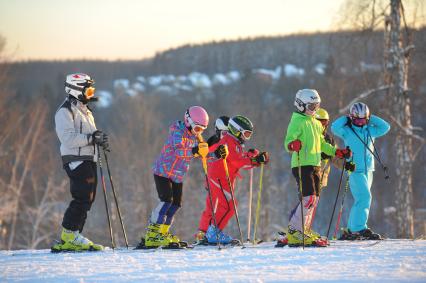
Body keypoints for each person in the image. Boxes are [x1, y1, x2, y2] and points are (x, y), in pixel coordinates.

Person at [283, 89, 351, 247]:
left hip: (315, 164)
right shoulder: (297, 121)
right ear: (300, 105)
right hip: (301, 164)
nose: (314, 110)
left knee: (314, 199)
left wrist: (336, 151)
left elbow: (322, 144)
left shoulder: (314, 122)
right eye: (311, 106)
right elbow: (288, 141)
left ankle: (303, 229)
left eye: (316, 106)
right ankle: (294, 231)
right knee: (308, 198)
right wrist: (293, 145)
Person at [137, 106, 210, 248]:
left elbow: (203, 152)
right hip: (163, 171)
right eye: (197, 129)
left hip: (177, 175)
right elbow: (179, 150)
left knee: (176, 204)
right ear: (188, 122)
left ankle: (163, 232)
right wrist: (195, 150)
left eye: (202, 130)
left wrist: (214, 152)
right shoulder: (177, 132)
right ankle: (152, 234)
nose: (199, 132)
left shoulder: (195, 137)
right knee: (166, 200)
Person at [52, 73, 109, 252]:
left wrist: (98, 138)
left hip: (88, 158)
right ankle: (69, 234)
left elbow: (90, 134)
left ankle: (74, 235)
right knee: (82, 197)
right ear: (76, 90)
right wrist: (91, 138)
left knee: (89, 198)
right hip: (75, 159)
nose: (91, 94)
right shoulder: (65, 111)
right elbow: (68, 139)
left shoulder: (85, 109)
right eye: (88, 90)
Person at [196, 115, 269, 245]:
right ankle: (212, 233)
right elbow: (237, 162)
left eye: (249, 134)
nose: (247, 137)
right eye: (246, 134)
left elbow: (238, 159)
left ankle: (212, 232)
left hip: (224, 177)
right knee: (228, 206)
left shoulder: (234, 142)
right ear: (237, 130)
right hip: (219, 177)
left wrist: (254, 158)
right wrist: (255, 161)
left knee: (228, 206)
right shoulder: (229, 141)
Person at [331, 102, 390, 240]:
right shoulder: (347, 130)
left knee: (361, 199)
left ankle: (352, 229)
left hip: (369, 170)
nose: (360, 123)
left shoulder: (370, 129)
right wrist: (345, 118)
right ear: (352, 118)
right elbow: (334, 127)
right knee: (364, 197)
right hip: (354, 170)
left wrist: (371, 117)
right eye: (357, 119)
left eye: (363, 119)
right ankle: (359, 228)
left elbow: (386, 127)